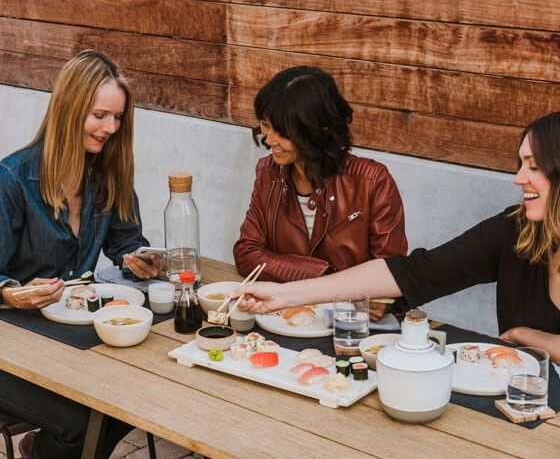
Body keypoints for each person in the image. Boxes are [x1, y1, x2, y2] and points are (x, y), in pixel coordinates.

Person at [236, 111, 560, 364]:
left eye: (533, 167)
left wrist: (528, 335)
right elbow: (413, 271)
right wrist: (287, 296)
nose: (518, 179)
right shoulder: (516, 229)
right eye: (520, 165)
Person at [0, 50, 159, 458]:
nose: (111, 128)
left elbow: (125, 244)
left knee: (137, 400)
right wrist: (10, 293)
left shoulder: (107, 176)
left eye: (118, 117)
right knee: (81, 422)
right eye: (100, 115)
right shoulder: (12, 180)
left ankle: (42, 451)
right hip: (11, 344)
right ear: (69, 109)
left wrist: (137, 258)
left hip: (71, 337)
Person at [233, 66, 407, 300]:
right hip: (283, 314)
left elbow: (390, 275)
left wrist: (306, 284)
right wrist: (325, 277)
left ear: (315, 131)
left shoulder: (372, 182)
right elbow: (247, 253)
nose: (270, 139)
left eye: (282, 131)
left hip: (350, 327)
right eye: (266, 125)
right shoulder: (268, 174)